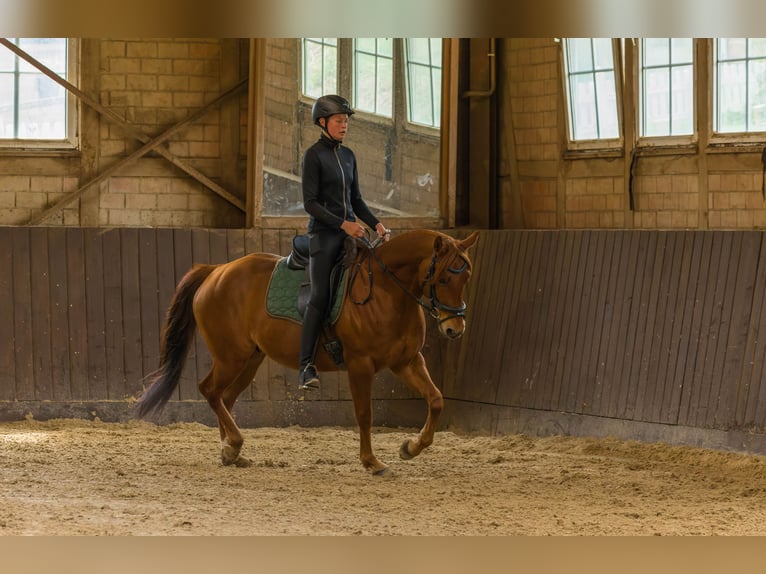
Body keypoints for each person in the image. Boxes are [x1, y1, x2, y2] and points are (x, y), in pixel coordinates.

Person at [298, 94, 389, 390]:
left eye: (346, 121)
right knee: (320, 296)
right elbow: (310, 203)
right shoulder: (313, 156)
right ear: (323, 122)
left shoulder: (349, 156)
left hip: (352, 232)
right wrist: (343, 224)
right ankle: (306, 365)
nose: (344, 125)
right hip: (323, 235)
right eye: (339, 121)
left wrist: (376, 223)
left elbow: (357, 199)